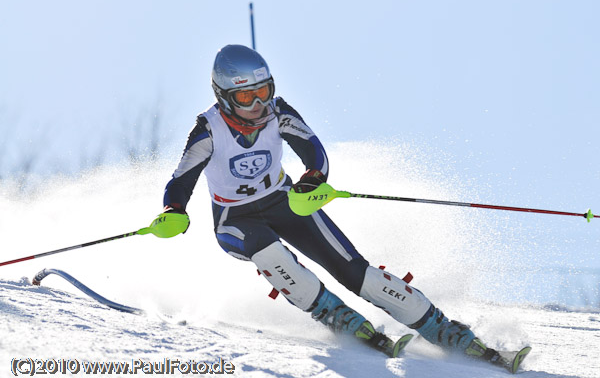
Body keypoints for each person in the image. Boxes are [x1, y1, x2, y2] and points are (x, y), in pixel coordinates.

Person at [147, 44, 509, 364]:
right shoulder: (208, 131)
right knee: (267, 250)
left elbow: (313, 151)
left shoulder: (278, 112)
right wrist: (173, 210)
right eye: (246, 98)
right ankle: (333, 314)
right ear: (224, 96)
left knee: (354, 270)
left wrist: (312, 180)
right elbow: (181, 181)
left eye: (264, 92)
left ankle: (442, 328)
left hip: (284, 201)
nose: (258, 105)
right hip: (234, 219)